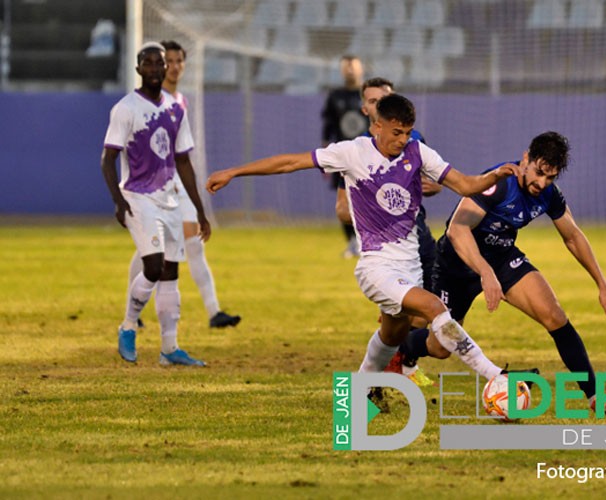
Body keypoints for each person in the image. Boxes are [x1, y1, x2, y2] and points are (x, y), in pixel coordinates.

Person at [207, 94, 536, 396]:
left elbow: (465, 184)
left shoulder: (418, 153)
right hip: (376, 266)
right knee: (436, 308)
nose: (402, 140)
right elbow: (291, 163)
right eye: (396, 132)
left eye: (407, 132)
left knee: (392, 336)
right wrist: (235, 172)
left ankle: (359, 390)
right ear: (376, 126)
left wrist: (495, 176)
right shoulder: (351, 153)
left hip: (409, 266)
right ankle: (495, 376)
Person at [397, 131, 606, 416]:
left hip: (501, 256)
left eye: (550, 177)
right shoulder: (498, 184)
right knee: (440, 347)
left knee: (554, 315)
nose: (542, 183)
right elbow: (457, 230)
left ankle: (594, 397)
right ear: (526, 158)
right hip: (457, 265)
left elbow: (573, 237)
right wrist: (484, 272)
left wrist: (602, 285)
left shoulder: (548, 195)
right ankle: (400, 346)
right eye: (539, 172)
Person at [101, 41, 209, 366]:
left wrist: (200, 210)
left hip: (170, 199)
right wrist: (119, 203)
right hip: (138, 197)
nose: (153, 69)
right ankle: (128, 325)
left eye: (158, 64)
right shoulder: (125, 109)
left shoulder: (176, 110)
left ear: (165, 69)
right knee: (152, 265)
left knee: (171, 272)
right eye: (146, 63)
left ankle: (169, 348)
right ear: (138, 69)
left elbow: (184, 162)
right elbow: (108, 160)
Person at [125, 40, 241, 330]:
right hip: (156, 185)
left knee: (192, 243)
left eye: (179, 61)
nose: (175, 67)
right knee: (152, 248)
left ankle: (214, 312)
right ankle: (134, 312)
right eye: (170, 61)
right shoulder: (149, 101)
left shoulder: (181, 101)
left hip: (179, 183)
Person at [335, 77, 440, 386]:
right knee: (411, 312)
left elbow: (434, 182)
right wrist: (371, 211)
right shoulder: (355, 152)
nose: (377, 103)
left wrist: (402, 190)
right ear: (365, 108)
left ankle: (393, 366)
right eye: (371, 100)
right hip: (383, 247)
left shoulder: (411, 139)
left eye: (384, 97)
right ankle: (394, 369)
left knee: (418, 315)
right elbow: (341, 207)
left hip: (417, 233)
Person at [321, 55, 370, 258]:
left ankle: (366, 241)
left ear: (362, 69)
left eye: (353, 66)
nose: (350, 70)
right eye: (346, 67)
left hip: (368, 155)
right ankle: (352, 242)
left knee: (368, 198)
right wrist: (325, 152)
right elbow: (328, 126)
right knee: (344, 200)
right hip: (342, 156)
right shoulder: (335, 96)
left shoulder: (369, 94)